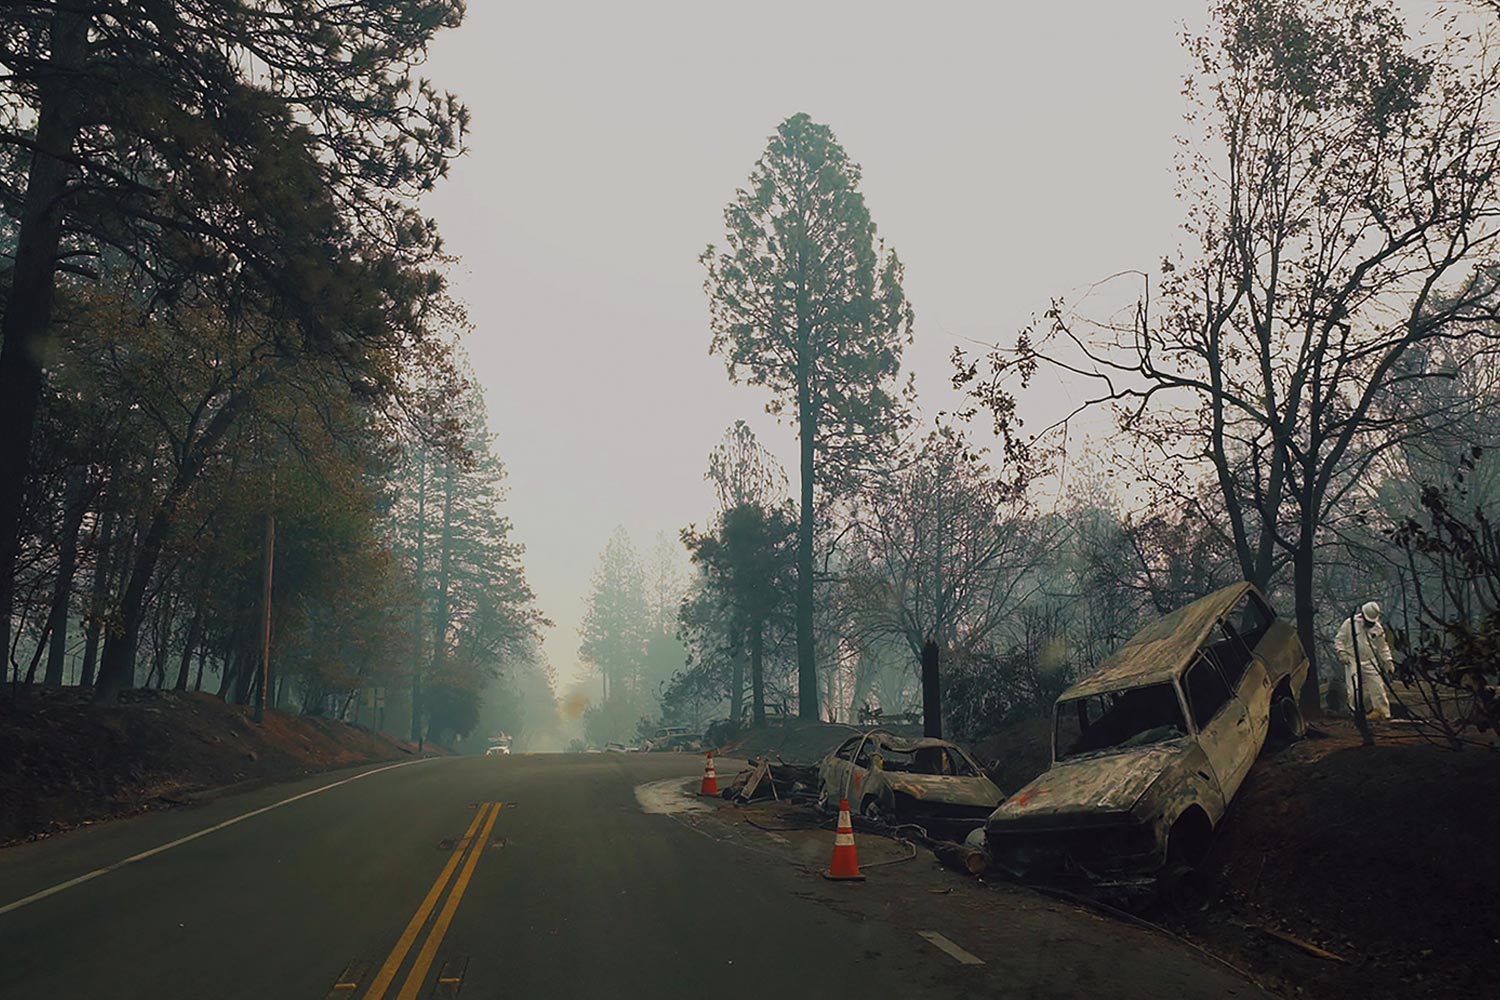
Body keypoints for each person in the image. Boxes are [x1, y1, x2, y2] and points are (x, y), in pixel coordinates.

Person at [1334, 601, 1395, 720]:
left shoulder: (1377, 628)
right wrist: (1341, 652)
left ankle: (1384, 714)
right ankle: (1356, 713)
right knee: (1354, 690)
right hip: (1352, 659)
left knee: (1378, 688)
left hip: (1370, 660)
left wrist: (1388, 661)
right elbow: (1339, 640)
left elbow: (1382, 647)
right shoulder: (1350, 624)